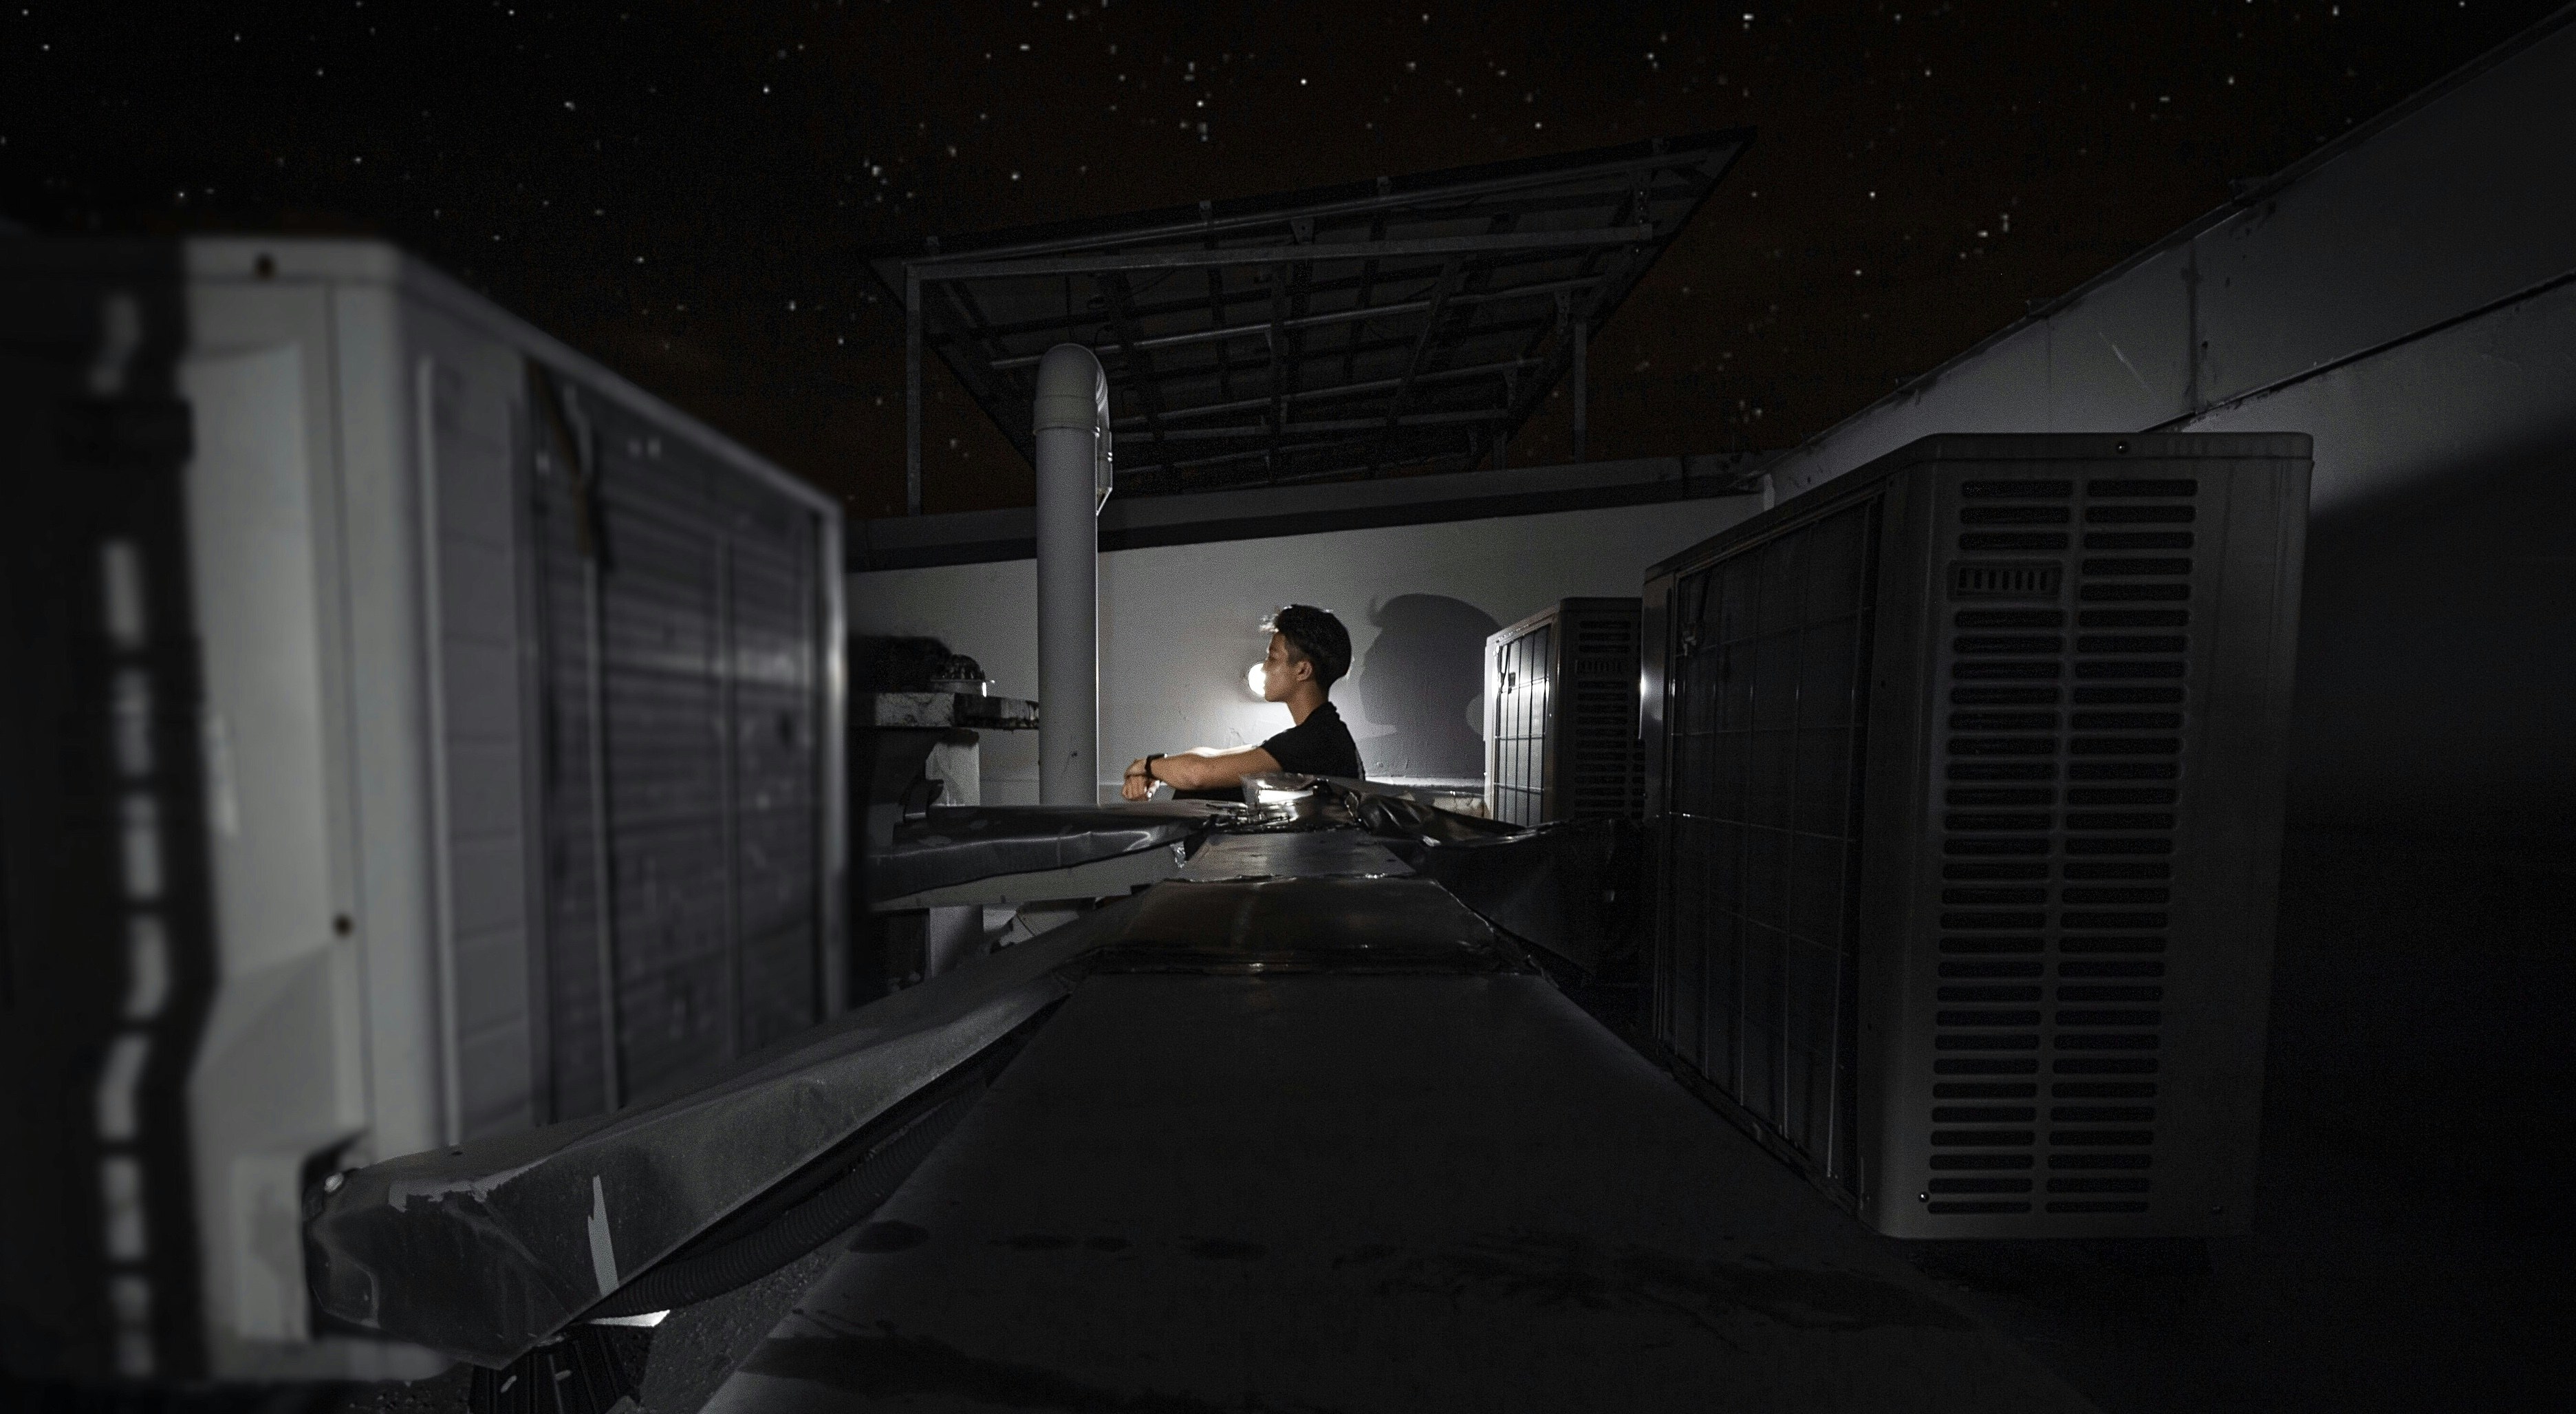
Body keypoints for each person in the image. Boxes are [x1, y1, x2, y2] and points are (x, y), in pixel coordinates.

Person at [1123, 604, 1363, 801]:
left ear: (1302, 671)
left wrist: (1148, 766)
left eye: (1272, 657)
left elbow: (1198, 774)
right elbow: (1207, 755)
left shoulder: (1315, 740)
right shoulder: (1319, 732)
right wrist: (1155, 769)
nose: (1266, 667)